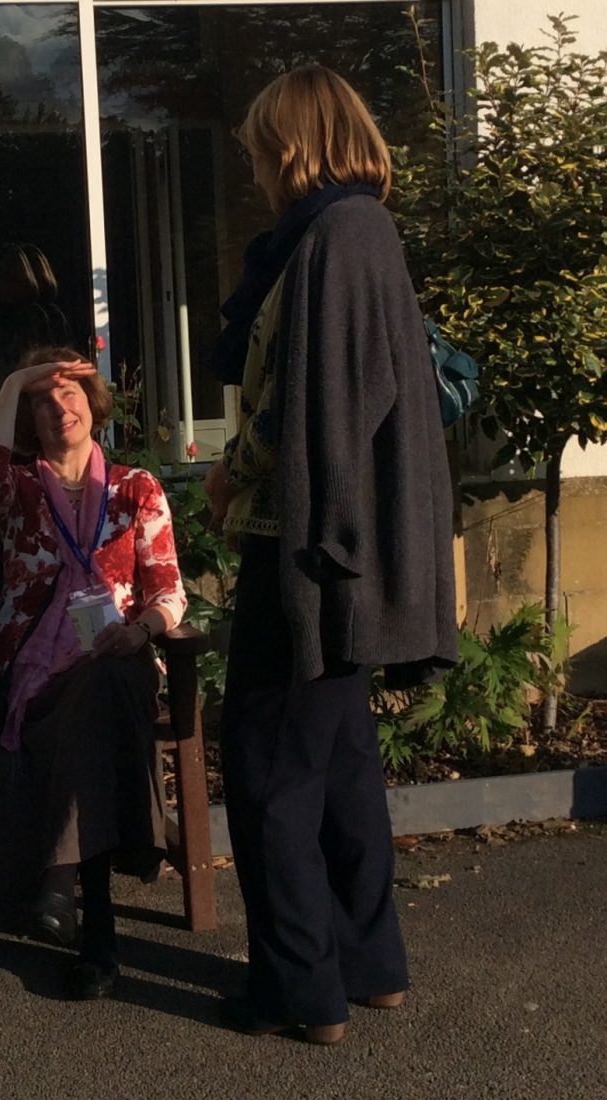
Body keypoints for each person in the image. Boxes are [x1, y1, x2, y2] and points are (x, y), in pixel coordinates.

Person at [204, 65, 458, 1044]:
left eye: (261, 152)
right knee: (343, 766)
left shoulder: (340, 235)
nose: (256, 173)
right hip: (325, 549)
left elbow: (315, 406)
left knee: (271, 774)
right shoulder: (348, 234)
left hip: (307, 554)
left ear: (295, 144)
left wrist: (231, 473)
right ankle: (372, 965)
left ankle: (300, 991)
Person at [0, 346, 187, 1000]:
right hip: (36, 675)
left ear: (93, 407)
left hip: (119, 659)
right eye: (42, 397)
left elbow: (170, 594)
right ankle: (122, 872)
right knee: (96, 696)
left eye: (69, 393)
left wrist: (139, 631)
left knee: (107, 678)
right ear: (27, 416)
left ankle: (66, 892)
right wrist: (16, 376)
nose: (57, 405)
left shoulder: (135, 488)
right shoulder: (20, 491)